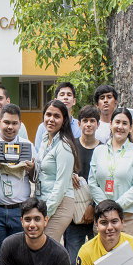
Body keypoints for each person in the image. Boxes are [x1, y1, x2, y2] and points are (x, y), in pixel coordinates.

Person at [88, 108, 133, 236]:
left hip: (129, 216)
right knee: (103, 255)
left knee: (127, 255)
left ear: (131, 127)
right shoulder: (99, 151)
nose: (120, 127)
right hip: (102, 216)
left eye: (125, 123)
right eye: (117, 122)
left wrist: (114, 207)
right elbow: (92, 183)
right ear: (110, 124)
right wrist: (106, 207)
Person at [64, 105, 103, 265]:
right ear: (79, 124)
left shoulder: (103, 149)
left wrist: (92, 207)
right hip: (73, 213)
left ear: (98, 124)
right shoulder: (71, 147)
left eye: (92, 121)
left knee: (99, 258)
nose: (88, 124)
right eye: (85, 121)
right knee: (73, 259)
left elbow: (104, 182)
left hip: (97, 212)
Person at [0, 103, 34, 257]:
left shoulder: (28, 145)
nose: (10, 127)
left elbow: (35, 178)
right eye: (6, 122)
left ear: (20, 124)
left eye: (14, 123)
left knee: (20, 254)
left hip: (20, 209)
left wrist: (32, 168)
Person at [36, 99, 80, 242]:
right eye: (48, 114)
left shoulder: (64, 146)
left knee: (45, 248)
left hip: (58, 205)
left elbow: (61, 185)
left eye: (57, 116)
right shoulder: (45, 141)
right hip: (46, 202)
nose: (51, 119)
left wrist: (45, 214)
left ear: (64, 120)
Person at [34, 81, 81, 150]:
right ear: (55, 100)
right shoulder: (43, 127)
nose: (65, 97)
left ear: (74, 101)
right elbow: (38, 152)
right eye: (62, 95)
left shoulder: (79, 126)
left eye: (69, 95)